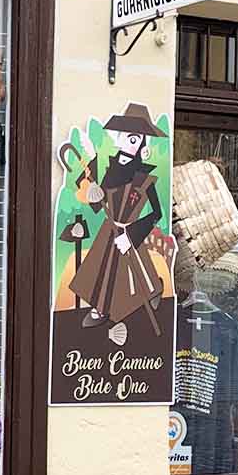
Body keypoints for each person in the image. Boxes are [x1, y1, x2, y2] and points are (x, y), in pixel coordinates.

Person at [68, 102, 166, 340]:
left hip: (128, 230)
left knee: (132, 272)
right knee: (101, 268)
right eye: (127, 138)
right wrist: (91, 169)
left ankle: (152, 290)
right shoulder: (110, 168)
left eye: (136, 140)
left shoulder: (145, 176)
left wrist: (131, 235)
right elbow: (94, 196)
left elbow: (156, 213)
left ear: (143, 145)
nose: (130, 143)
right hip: (109, 228)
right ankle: (101, 308)